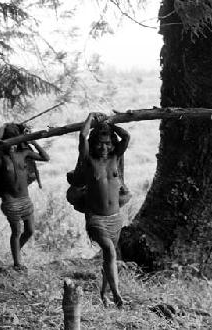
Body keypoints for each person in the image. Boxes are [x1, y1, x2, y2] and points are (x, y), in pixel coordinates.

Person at [78, 112, 130, 308]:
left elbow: (126, 137)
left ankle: (103, 293)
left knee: (110, 256)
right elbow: (82, 136)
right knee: (109, 251)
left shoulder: (115, 157)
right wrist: (91, 117)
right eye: (100, 142)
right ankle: (117, 296)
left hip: (115, 219)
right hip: (96, 219)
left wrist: (111, 123)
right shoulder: (89, 161)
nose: (104, 147)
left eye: (108, 143)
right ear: (94, 143)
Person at [0, 123, 49, 270]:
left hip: (25, 199)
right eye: (10, 142)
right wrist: (4, 126)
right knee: (17, 231)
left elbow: (45, 157)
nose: (12, 145)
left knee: (30, 230)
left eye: (15, 141)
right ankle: (17, 263)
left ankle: (15, 253)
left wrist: (33, 141)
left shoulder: (24, 153)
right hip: (10, 200)